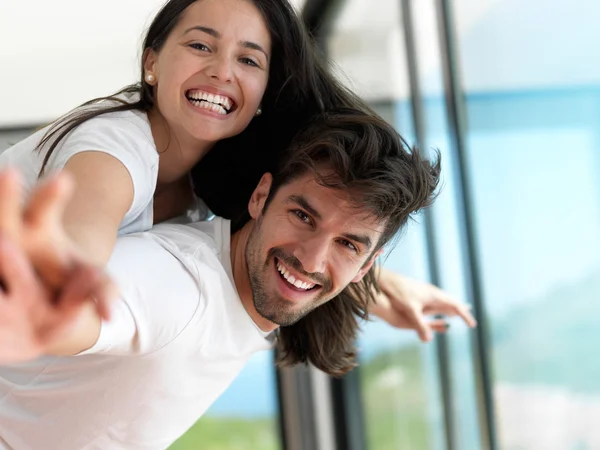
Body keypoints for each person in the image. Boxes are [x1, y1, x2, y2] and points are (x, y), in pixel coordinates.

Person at [1, 0, 473, 341]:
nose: (222, 72)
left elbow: (302, 253)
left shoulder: (219, 175)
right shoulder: (111, 150)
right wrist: (62, 279)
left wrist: (380, 283)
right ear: (151, 62)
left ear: (266, 92)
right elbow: (81, 235)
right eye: (201, 45)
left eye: (248, 59)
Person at [0, 109, 467, 449]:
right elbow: (109, 305)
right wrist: (44, 312)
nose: (311, 258)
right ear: (261, 196)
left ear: (367, 264)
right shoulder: (183, 285)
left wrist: (384, 289)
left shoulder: (247, 277)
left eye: (348, 244)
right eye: (303, 215)